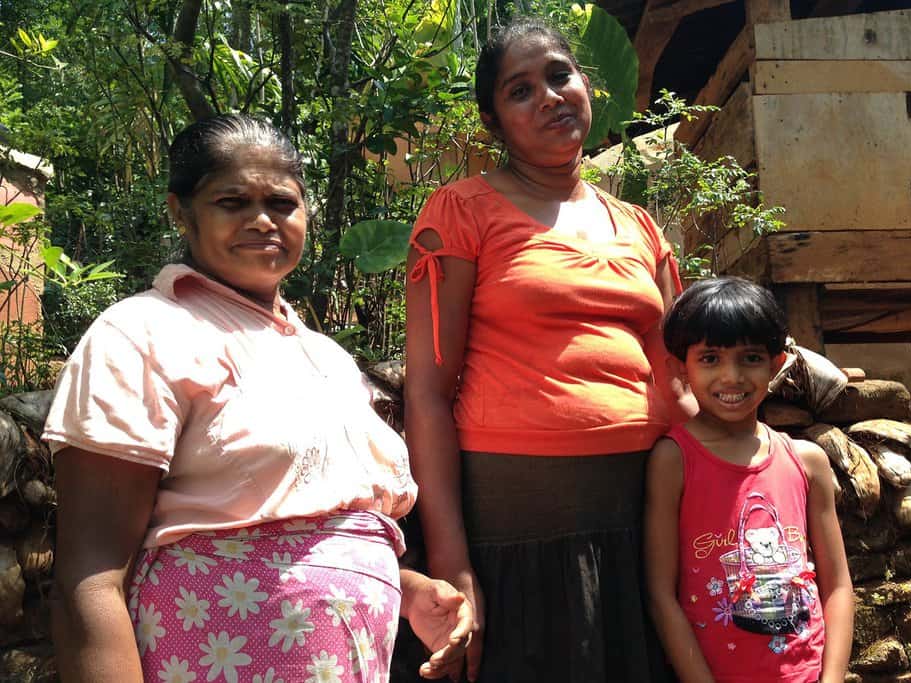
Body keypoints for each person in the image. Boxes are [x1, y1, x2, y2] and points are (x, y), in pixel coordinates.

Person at [45, 114, 473, 683]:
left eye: (281, 202)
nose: (262, 220)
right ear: (181, 211)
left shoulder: (326, 359)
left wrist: (410, 590)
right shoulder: (141, 335)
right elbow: (90, 578)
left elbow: (331, 527)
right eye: (232, 201)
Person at [403, 17, 692, 683]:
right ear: (492, 122)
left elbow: (678, 378)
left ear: (587, 84)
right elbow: (427, 391)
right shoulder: (462, 212)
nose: (551, 96)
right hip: (515, 536)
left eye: (560, 75)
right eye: (520, 90)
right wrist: (454, 565)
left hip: (642, 532)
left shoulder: (640, 227)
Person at [644, 276, 854, 683]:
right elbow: (660, 594)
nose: (732, 377)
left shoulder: (808, 462)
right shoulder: (673, 461)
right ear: (680, 368)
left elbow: (838, 587)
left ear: (776, 364)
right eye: (710, 359)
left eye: (751, 358)